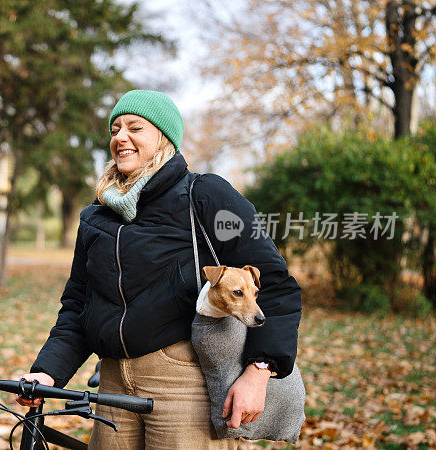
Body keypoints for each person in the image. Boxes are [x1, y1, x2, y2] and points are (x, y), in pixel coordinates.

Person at [16, 90, 302, 449]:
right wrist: (48, 371)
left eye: (135, 127)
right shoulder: (97, 214)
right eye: (115, 129)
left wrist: (259, 371)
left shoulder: (206, 195)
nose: (121, 137)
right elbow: (78, 304)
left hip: (185, 383)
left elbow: (275, 283)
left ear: (164, 138)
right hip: (112, 384)